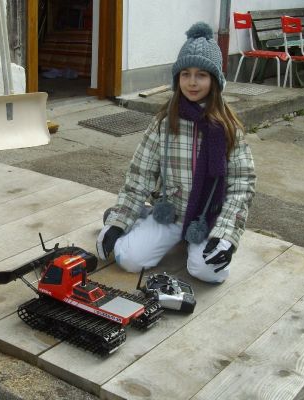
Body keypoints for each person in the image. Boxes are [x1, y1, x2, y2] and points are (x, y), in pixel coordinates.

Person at [96, 22, 256, 283]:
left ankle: (197, 243)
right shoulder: (163, 123)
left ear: (215, 80)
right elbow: (139, 175)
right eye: (185, 74)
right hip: (171, 213)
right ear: (177, 78)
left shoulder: (228, 129)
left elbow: (242, 185)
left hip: (207, 218)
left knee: (209, 272)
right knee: (128, 259)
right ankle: (140, 219)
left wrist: (226, 236)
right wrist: (117, 222)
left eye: (202, 75)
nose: (192, 83)